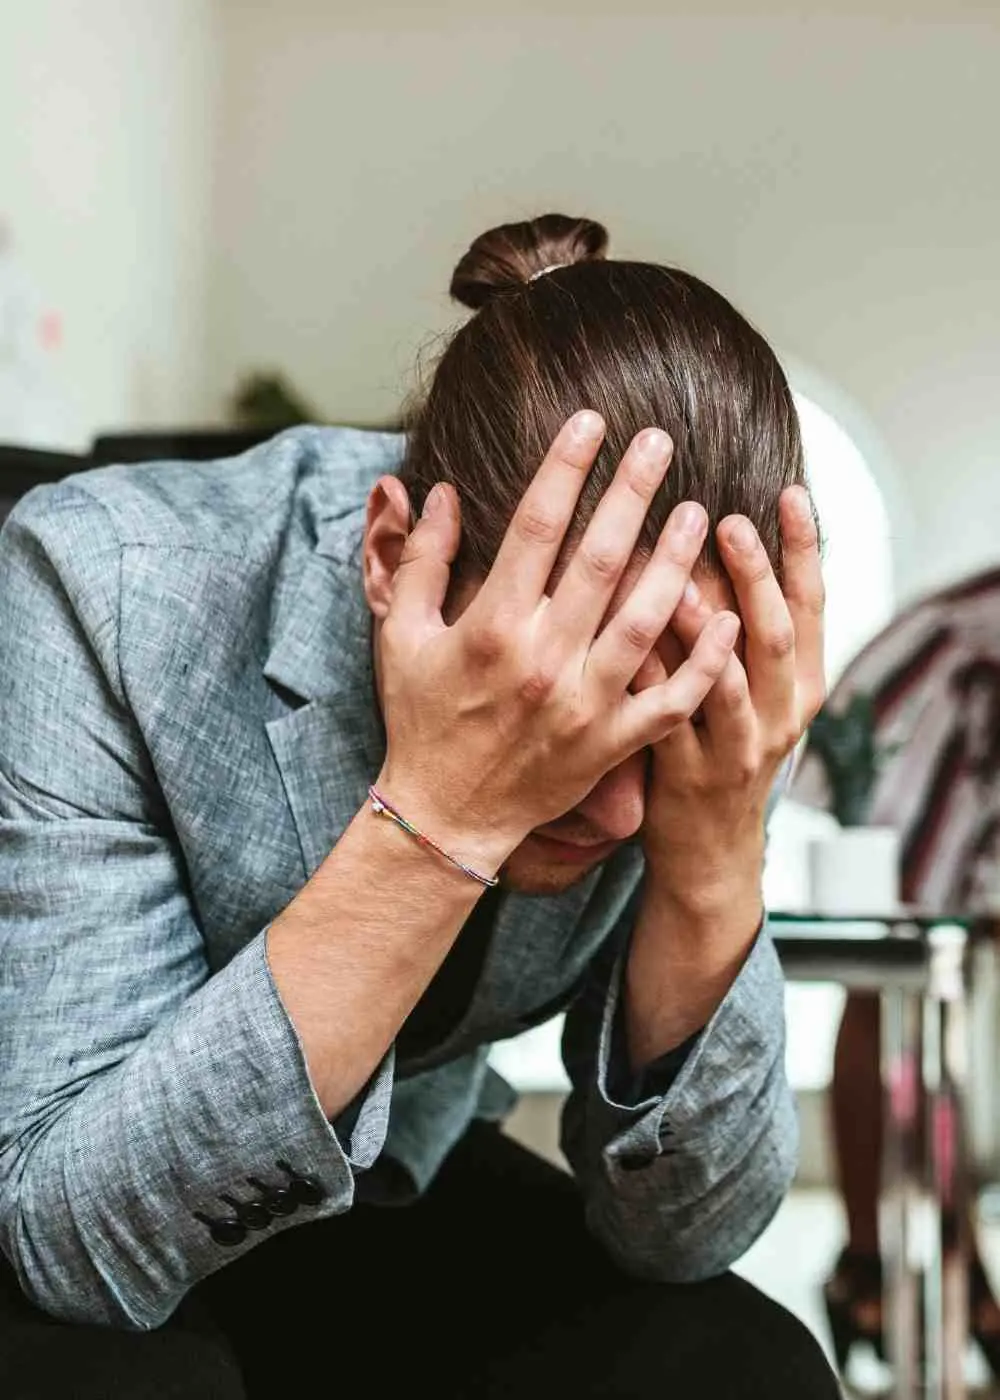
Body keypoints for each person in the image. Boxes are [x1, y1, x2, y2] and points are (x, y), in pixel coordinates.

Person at [0, 214, 837, 1398]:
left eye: (654, 726)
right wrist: (443, 817)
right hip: (73, 1178)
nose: (611, 809)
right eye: (561, 701)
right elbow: (72, 1242)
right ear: (396, 552)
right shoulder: (104, 581)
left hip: (388, 1169)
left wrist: (712, 860)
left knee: (740, 1368)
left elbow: (683, 1235)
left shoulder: (720, 681)